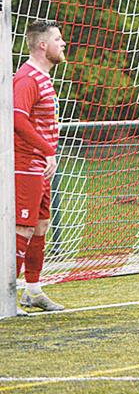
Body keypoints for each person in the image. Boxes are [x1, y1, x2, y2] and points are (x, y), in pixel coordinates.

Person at [13, 20, 68, 315]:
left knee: (40, 225)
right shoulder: (26, 78)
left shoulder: (44, 78)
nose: (63, 44)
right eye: (58, 39)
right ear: (42, 45)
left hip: (40, 165)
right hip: (25, 163)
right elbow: (17, 120)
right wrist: (47, 151)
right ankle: (6, 295)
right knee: (22, 226)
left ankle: (32, 290)